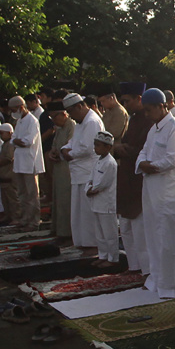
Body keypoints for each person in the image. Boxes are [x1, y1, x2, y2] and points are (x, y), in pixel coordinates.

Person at [136, 88, 175, 297]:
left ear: (162, 106)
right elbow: (143, 151)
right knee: (153, 235)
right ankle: (158, 279)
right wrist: (143, 163)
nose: (147, 114)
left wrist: (151, 166)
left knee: (171, 239)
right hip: (152, 190)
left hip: (169, 192)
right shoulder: (154, 129)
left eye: (149, 110)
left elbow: (173, 158)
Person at [115, 82, 153, 276]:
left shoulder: (149, 121)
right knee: (127, 227)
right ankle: (134, 266)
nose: (125, 104)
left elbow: (148, 152)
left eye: (127, 101)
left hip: (140, 179)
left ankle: (147, 270)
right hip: (128, 176)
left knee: (140, 228)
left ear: (139, 98)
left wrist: (126, 150)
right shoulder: (135, 119)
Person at [61, 92, 105, 254]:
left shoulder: (92, 121)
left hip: (89, 171)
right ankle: (82, 242)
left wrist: (69, 153)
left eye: (71, 112)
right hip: (79, 172)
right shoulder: (80, 123)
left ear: (79, 107)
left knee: (88, 212)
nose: (70, 116)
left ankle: (93, 244)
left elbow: (87, 148)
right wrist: (64, 149)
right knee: (79, 211)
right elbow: (73, 142)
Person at [9, 96, 45, 230]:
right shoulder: (19, 121)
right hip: (19, 162)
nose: (13, 112)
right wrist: (18, 141)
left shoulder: (32, 121)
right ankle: (24, 218)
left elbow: (27, 141)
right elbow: (13, 139)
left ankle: (34, 221)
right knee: (22, 194)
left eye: (14, 109)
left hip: (30, 162)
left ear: (21, 107)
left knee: (32, 195)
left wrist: (18, 141)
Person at [86, 130, 120, 268]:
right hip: (96, 202)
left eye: (99, 145)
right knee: (99, 232)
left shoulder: (110, 163)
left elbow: (104, 183)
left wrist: (93, 189)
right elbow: (90, 178)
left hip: (106, 202)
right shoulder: (97, 161)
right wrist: (87, 188)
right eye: (95, 145)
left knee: (109, 233)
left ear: (108, 147)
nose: (96, 148)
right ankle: (103, 254)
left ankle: (113, 258)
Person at [46, 101, 74, 239]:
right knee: (58, 199)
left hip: (68, 169)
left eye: (54, 117)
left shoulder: (72, 126)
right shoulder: (59, 128)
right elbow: (55, 146)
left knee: (66, 200)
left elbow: (70, 147)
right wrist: (52, 153)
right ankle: (58, 229)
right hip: (58, 167)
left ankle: (67, 232)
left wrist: (59, 153)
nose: (53, 120)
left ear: (63, 114)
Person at [0, 123, 18, 224]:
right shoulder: (5, 144)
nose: (1, 136)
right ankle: (8, 215)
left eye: (2, 133)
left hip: (9, 175)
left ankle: (16, 217)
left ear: (9, 133)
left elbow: (9, 158)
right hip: (3, 176)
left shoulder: (10, 144)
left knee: (12, 199)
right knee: (5, 199)